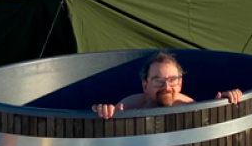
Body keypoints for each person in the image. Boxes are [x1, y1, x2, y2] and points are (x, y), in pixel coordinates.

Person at [91, 50, 242, 119]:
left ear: (180, 84)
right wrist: (104, 112)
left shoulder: (188, 106)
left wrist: (223, 103)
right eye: (158, 81)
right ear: (145, 86)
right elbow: (107, 130)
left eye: (172, 80)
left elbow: (211, 124)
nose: (166, 87)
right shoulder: (130, 106)